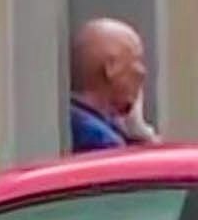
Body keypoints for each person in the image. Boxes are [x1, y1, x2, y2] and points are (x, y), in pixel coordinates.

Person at [67, 18, 156, 153]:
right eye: (136, 60)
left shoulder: (79, 119)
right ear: (111, 68)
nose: (142, 72)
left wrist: (137, 133)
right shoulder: (102, 140)